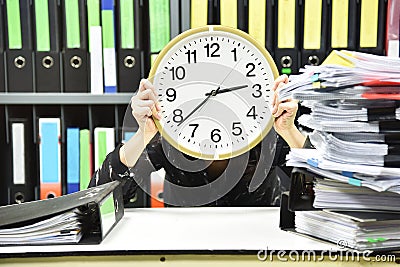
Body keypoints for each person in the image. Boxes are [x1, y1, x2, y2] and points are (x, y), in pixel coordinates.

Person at [88, 75, 308, 207]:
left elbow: (326, 191)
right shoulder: (169, 139)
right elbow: (95, 204)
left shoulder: (266, 134)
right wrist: (143, 135)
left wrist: (289, 131)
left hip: (261, 251)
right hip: (186, 251)